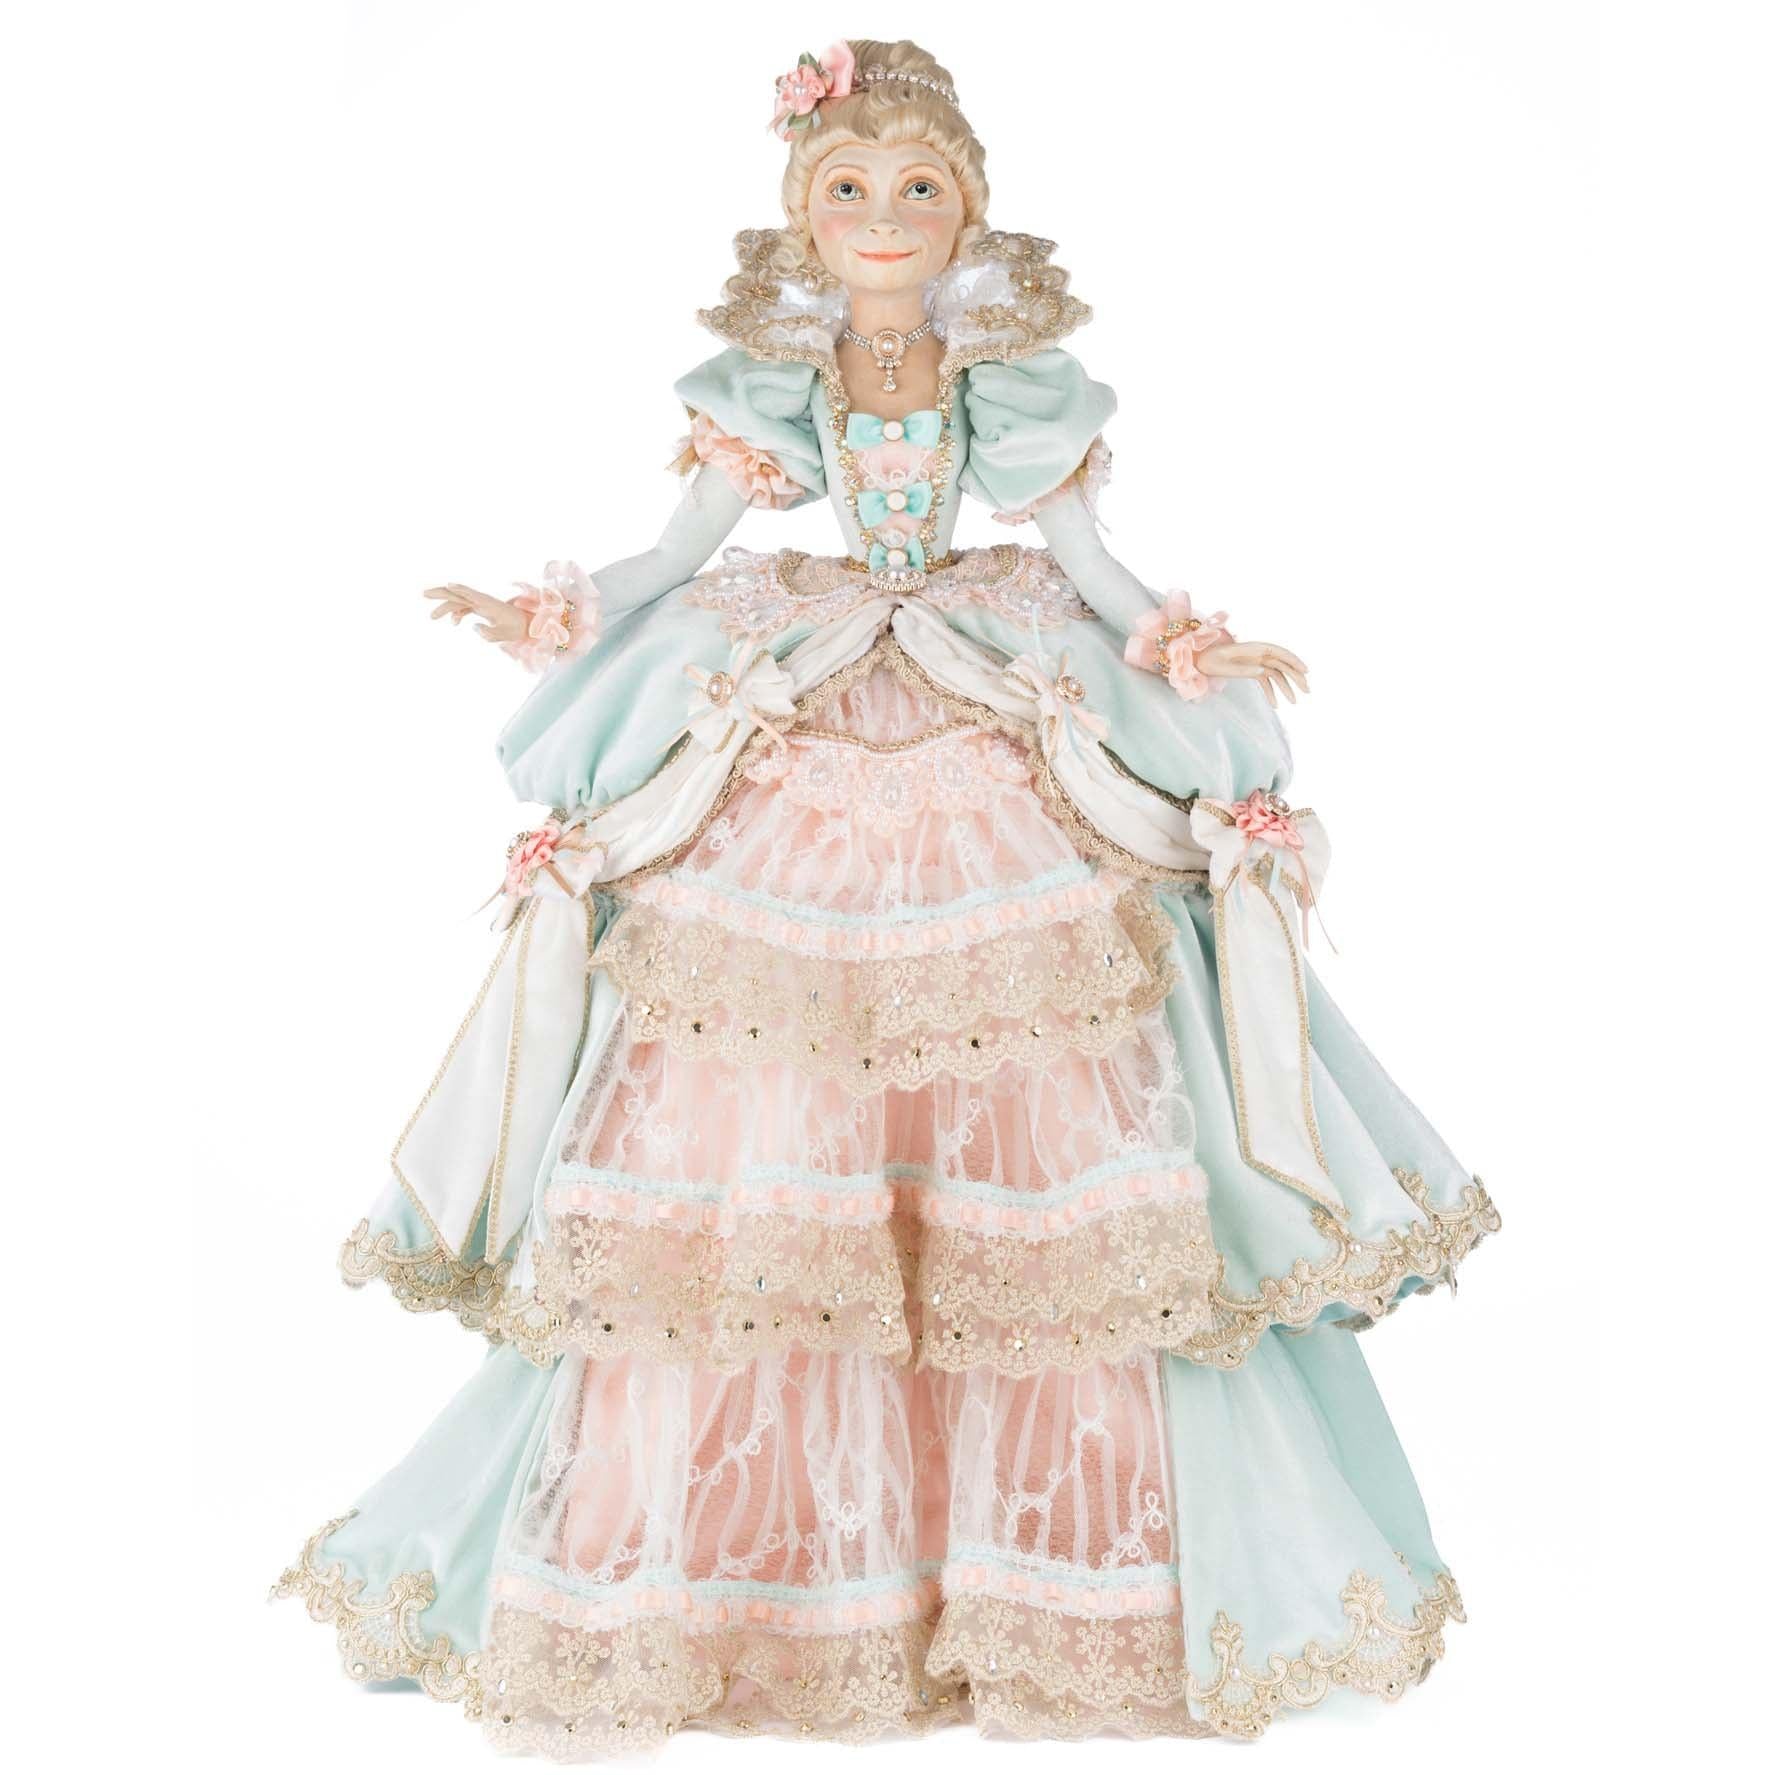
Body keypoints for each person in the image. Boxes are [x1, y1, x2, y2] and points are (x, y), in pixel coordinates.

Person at [273, 37, 1499, 1752]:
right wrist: (562, 607)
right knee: (760, 1073)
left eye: (919, 188)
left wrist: (1181, 642)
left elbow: (1088, 562)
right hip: (817, 674)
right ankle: (771, 1569)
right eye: (849, 189)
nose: (884, 217)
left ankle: (1053, 1576)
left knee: (1049, 1076)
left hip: (985, 669)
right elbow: (681, 547)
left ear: (969, 212)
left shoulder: (1010, 377)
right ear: (802, 217)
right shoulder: (779, 376)